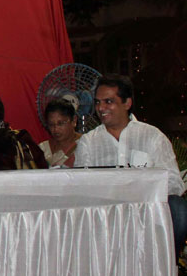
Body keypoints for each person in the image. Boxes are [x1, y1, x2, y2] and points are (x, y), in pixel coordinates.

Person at [74, 75, 187, 249]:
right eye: (97, 102)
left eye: (108, 101)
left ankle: (168, 265)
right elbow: (80, 186)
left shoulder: (152, 136)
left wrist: (142, 194)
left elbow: (174, 183)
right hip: (106, 211)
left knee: (178, 208)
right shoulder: (89, 141)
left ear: (127, 103)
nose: (100, 108)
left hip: (147, 209)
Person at [38, 99, 80, 168]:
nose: (55, 129)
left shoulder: (84, 144)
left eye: (60, 124)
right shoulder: (43, 149)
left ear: (74, 120)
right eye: (51, 125)